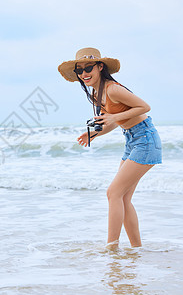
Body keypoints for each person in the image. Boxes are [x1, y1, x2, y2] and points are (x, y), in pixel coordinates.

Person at [58, 47, 162, 249]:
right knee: (122, 197)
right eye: (79, 70)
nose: (84, 73)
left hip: (145, 139)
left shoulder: (112, 88)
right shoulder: (98, 92)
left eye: (88, 68)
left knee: (113, 193)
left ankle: (111, 247)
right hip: (132, 140)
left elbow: (144, 107)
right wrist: (93, 135)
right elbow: (114, 123)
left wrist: (114, 117)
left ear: (100, 67)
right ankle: (136, 248)